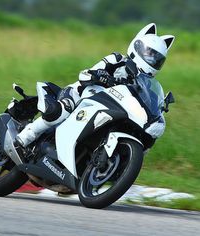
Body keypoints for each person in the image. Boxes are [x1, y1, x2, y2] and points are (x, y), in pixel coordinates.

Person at [15, 23, 175, 151]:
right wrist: (99, 76)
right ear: (137, 47)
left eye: (157, 59)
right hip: (82, 93)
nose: (152, 60)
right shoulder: (117, 59)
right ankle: (27, 135)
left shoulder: (145, 83)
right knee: (60, 111)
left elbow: (146, 103)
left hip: (110, 109)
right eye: (150, 53)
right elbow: (84, 74)